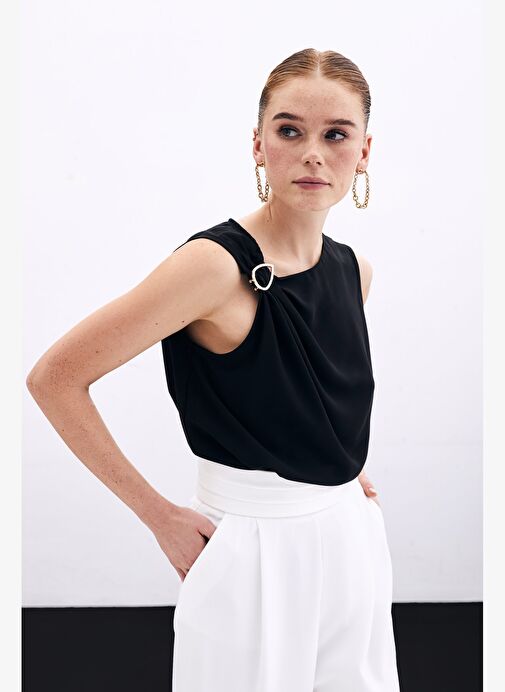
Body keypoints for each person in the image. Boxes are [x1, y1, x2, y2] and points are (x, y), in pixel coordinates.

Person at [26, 47, 401, 691]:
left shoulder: (352, 271)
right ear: (258, 145)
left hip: (350, 536)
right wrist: (159, 516)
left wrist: (339, 467)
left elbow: (301, 392)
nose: (313, 153)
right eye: (290, 131)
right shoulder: (213, 267)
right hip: (250, 545)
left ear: (364, 152)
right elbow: (54, 378)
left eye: (336, 135)